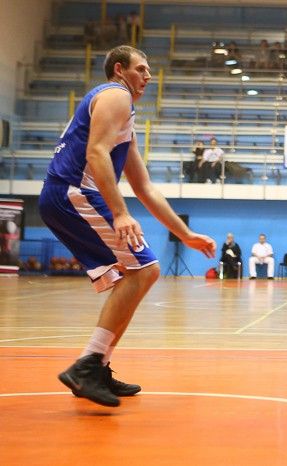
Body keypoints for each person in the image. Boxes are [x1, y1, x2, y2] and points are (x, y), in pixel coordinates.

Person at [38, 45, 216, 408]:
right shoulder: (116, 95)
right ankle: (88, 366)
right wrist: (120, 213)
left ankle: (98, 366)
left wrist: (184, 234)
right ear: (119, 69)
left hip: (65, 195)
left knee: (139, 274)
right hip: (74, 192)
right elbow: (95, 153)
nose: (148, 76)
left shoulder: (125, 118)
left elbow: (144, 187)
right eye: (141, 69)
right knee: (145, 269)